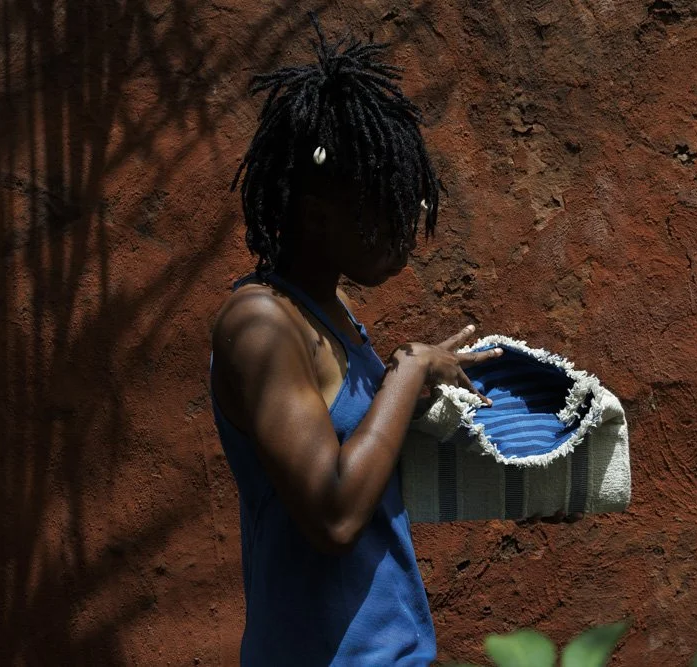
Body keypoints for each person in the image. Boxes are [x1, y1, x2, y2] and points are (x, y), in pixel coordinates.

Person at [208, 14, 502, 666]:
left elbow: (363, 463)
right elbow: (335, 513)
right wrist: (407, 370)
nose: (408, 225)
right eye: (385, 205)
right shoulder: (260, 326)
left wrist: (428, 395)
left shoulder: (331, 314)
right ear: (316, 214)